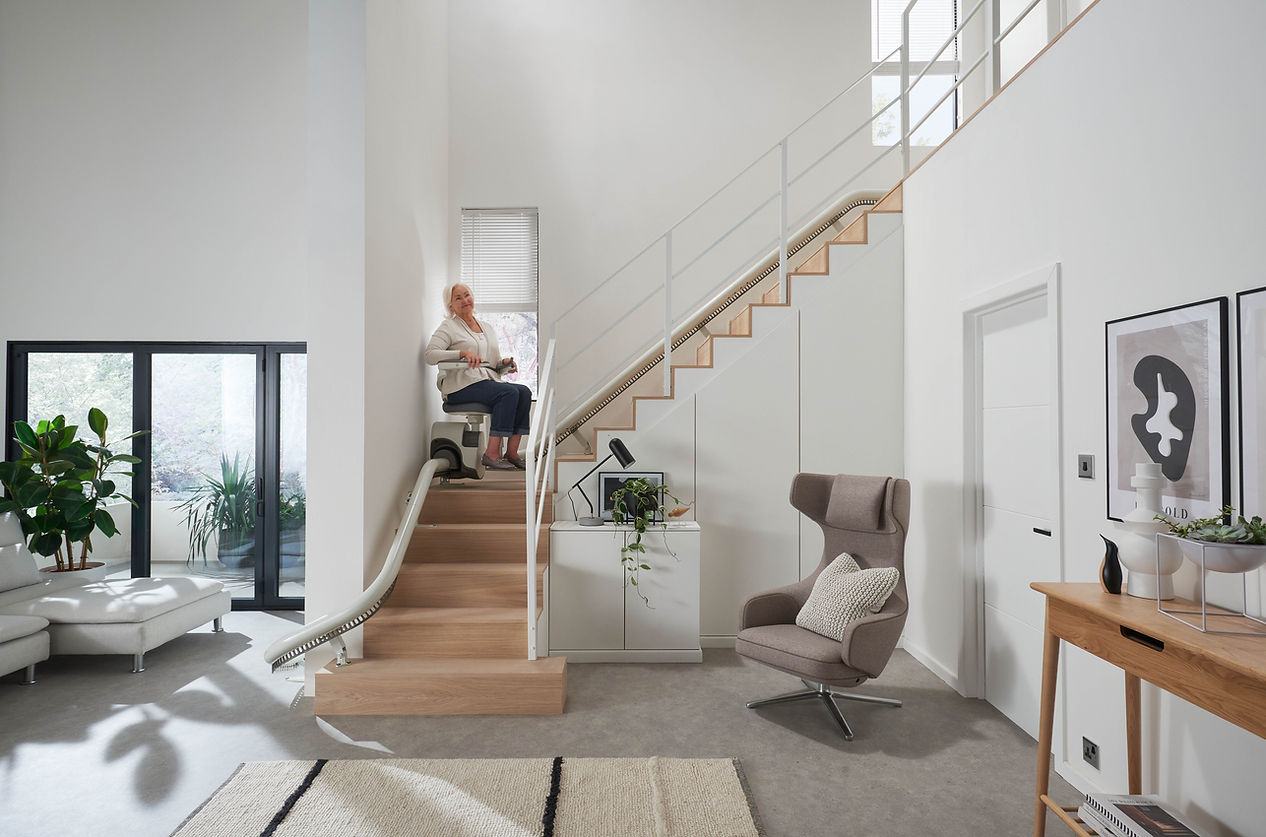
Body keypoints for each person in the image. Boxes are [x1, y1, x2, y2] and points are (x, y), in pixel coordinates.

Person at [424, 282, 532, 470]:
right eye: (458, 298)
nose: (465, 300)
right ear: (451, 306)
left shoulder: (486, 327)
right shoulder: (448, 327)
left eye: (467, 295)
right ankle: (491, 454)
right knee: (508, 393)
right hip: (460, 387)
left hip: (485, 381)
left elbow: (493, 365)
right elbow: (430, 355)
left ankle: (512, 453)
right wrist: (461, 353)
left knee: (523, 391)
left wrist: (504, 365)